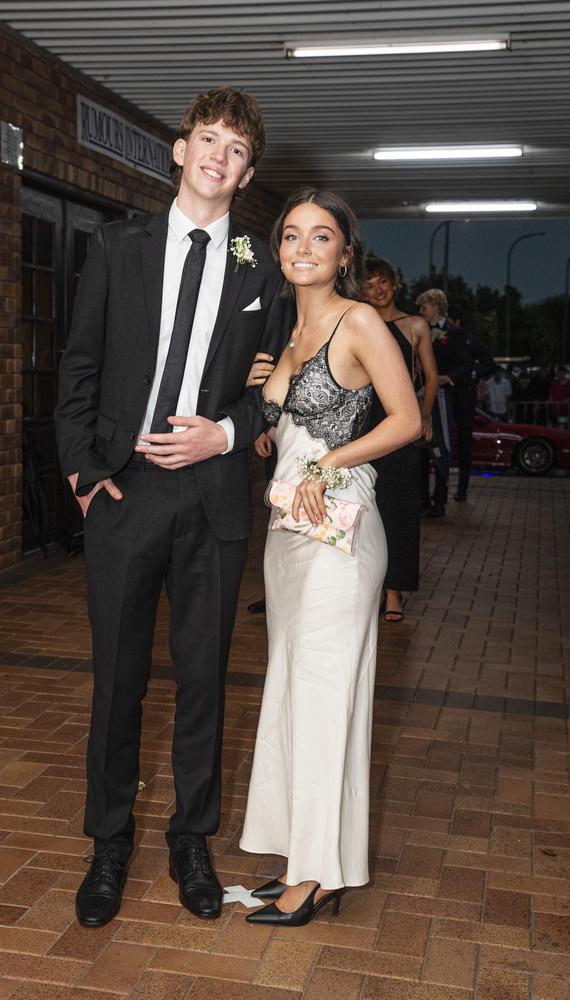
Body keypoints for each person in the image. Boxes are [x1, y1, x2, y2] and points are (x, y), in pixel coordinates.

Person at [55, 86, 290, 928]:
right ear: (180, 150)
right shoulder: (118, 247)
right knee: (117, 681)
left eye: (235, 148)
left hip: (213, 496)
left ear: (246, 172)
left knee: (202, 682)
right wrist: (82, 472)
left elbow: (278, 394)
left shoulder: (266, 270)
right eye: (207, 139)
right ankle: (107, 842)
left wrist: (224, 435)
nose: (217, 155)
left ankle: (192, 839)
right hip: (124, 491)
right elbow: (76, 366)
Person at [239, 189, 421, 927]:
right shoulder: (285, 334)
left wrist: (326, 463)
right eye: (290, 236)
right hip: (287, 534)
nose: (303, 248)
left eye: (321, 237)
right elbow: (272, 441)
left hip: (340, 536)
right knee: (294, 694)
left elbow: (406, 419)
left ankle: (313, 878)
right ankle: (307, 858)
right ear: (279, 249)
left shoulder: (360, 321)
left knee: (321, 700)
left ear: (346, 251)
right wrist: (262, 415)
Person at [364, 256, 438, 621]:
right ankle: (371, 586)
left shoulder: (415, 325)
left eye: (383, 282)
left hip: (401, 420)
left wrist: (423, 416)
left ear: (395, 284)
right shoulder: (357, 322)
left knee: (399, 508)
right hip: (364, 425)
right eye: (370, 284)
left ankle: (395, 591)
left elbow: (431, 377)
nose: (377, 290)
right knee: (367, 508)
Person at [416, 290, 495, 510]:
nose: (420, 310)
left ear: (436, 306)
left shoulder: (458, 333)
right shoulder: (418, 331)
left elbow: (469, 364)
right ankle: (423, 497)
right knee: (424, 446)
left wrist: (449, 378)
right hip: (427, 398)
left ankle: (451, 493)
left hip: (455, 399)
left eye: (424, 306)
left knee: (452, 446)